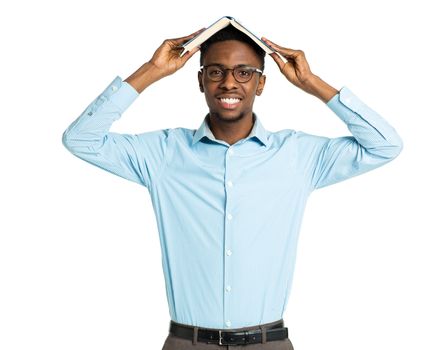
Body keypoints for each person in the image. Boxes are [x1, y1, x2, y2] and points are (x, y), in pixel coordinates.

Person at [62, 24, 403, 349]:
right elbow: (80, 139)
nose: (229, 83)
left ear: (261, 83)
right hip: (187, 344)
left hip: (269, 343)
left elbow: (385, 145)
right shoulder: (163, 154)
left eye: (244, 72)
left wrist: (313, 83)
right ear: (201, 80)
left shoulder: (298, 156)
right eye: (216, 71)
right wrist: (151, 70)